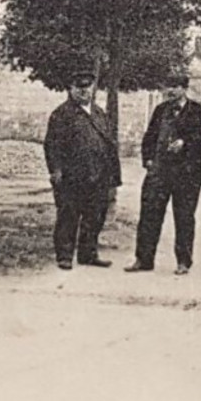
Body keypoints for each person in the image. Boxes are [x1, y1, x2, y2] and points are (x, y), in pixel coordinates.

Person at [128, 71, 201, 276]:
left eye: (175, 87)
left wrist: (185, 143)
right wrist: (148, 160)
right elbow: (149, 137)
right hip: (160, 172)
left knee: (184, 218)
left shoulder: (197, 111)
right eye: (169, 87)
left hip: (187, 175)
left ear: (184, 89)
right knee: (149, 215)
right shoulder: (160, 110)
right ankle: (143, 259)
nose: (171, 91)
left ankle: (183, 262)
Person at [43, 67, 122, 270]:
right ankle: (65, 255)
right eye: (79, 88)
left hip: (99, 175)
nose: (83, 92)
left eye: (87, 88)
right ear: (71, 89)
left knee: (95, 216)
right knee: (69, 215)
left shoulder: (99, 113)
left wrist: (113, 175)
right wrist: (56, 171)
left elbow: (109, 143)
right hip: (72, 176)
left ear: (93, 89)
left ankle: (88, 254)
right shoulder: (61, 114)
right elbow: (52, 145)